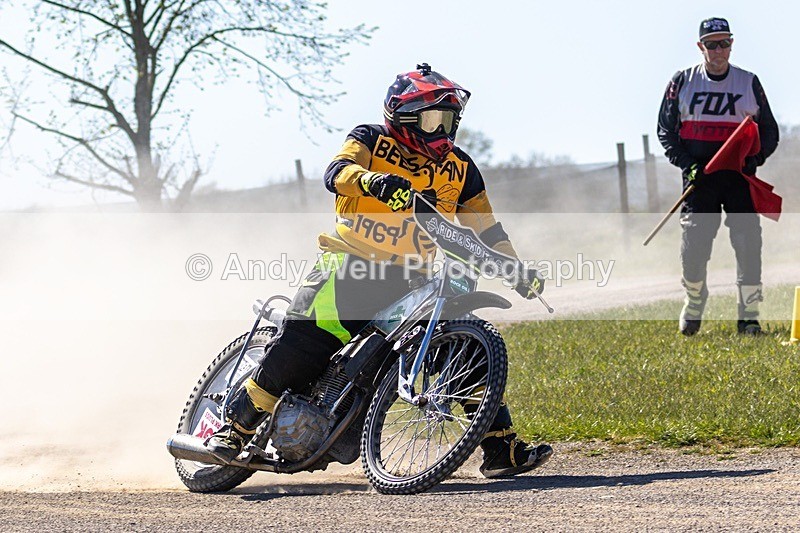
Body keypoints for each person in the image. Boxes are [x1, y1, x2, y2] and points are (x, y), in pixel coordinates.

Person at [206, 64, 553, 478]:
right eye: (432, 120)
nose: (443, 130)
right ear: (404, 117)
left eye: (449, 120)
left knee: (462, 346)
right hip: (348, 268)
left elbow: (487, 228)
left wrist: (514, 266)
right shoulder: (369, 138)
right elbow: (337, 174)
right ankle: (233, 430)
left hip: (412, 281)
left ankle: (499, 448)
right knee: (302, 349)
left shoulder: (461, 168)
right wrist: (374, 182)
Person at [657, 17, 779, 336]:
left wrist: (754, 159)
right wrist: (687, 164)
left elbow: (769, 130)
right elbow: (665, 131)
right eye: (711, 44)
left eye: (724, 42)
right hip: (700, 179)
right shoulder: (682, 81)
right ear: (701, 47)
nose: (719, 49)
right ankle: (695, 300)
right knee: (693, 247)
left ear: (732, 44)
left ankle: (749, 316)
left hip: (737, 178)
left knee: (748, 243)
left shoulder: (748, 81)